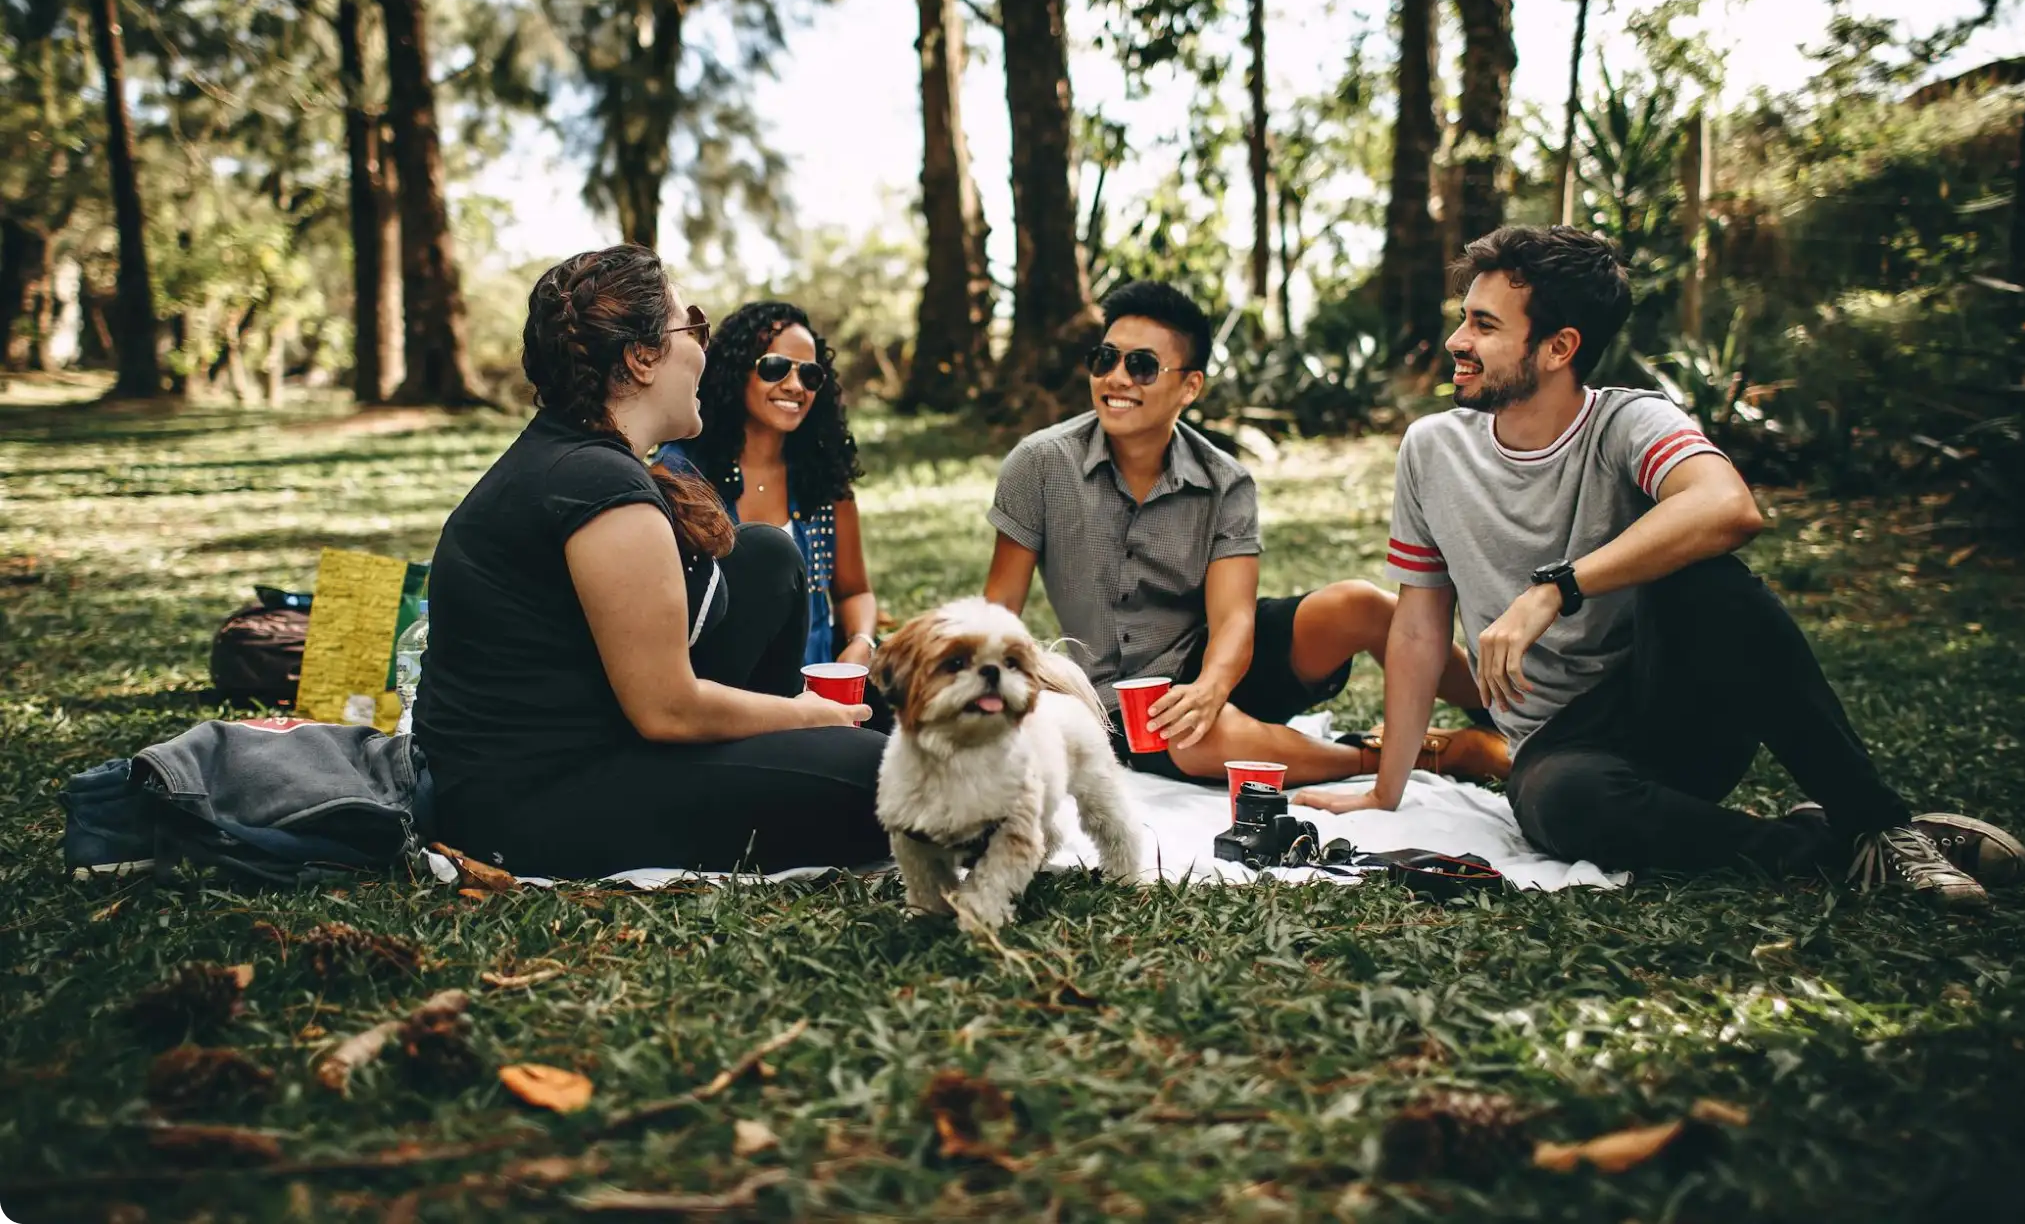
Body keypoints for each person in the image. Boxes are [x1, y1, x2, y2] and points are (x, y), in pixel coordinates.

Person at [1297, 225, 2025, 910]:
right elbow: (1421, 629)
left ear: (1559, 347)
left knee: (1709, 579)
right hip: (1562, 751)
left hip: (1675, 709)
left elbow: (1728, 506)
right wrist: (1386, 791)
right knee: (1562, 805)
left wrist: (1558, 587)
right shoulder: (1432, 450)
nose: (1457, 339)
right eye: (1466, 316)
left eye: (1485, 326)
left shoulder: (1630, 421)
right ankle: (1835, 846)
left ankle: (1880, 822)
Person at [413, 247, 890, 878]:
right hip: (532, 803)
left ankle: (797, 752)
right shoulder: (595, 485)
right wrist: (809, 712)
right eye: (691, 326)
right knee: (885, 780)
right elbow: (667, 710)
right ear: (641, 358)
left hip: (596, 734)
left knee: (767, 556)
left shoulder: (580, 456)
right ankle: (809, 752)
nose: (703, 348)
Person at [983, 278, 1506, 786]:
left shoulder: (1225, 481)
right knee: (1197, 739)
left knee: (1360, 605)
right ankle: (1419, 756)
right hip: (1123, 702)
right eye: (1105, 359)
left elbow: (1234, 618)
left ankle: (1511, 718)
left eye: (1141, 366)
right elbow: (998, 610)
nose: (1117, 378)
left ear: (1190, 386)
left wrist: (1211, 687)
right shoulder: (1040, 465)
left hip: (1220, 660)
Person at [656, 302, 880, 678]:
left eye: (810, 375)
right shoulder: (681, 472)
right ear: (735, 371)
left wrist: (861, 643)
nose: (795, 386)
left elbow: (854, 591)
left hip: (817, 694)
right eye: (775, 367)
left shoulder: (823, 479)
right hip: (721, 697)